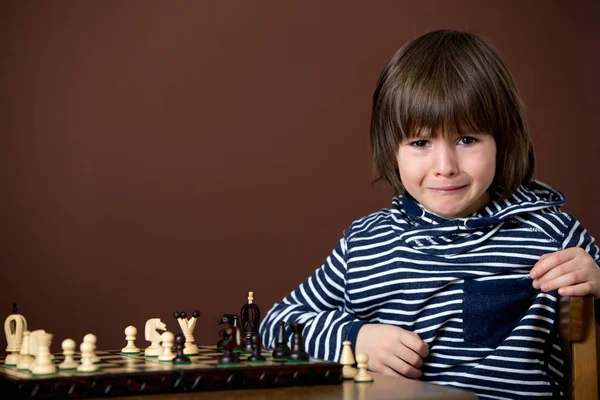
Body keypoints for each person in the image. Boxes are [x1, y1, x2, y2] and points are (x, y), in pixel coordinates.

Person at [259, 29, 600, 399]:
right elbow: (275, 324)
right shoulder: (364, 246)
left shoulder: (550, 234)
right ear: (393, 150)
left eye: (467, 139)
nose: (445, 166)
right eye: (420, 143)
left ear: (504, 139)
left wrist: (598, 281)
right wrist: (355, 339)